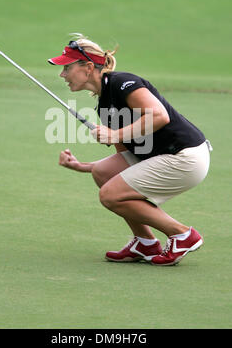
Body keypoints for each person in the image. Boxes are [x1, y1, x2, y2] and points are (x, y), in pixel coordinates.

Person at [48, 34, 212, 266]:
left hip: (185, 157)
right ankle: (145, 243)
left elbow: (159, 115)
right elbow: (124, 159)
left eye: (67, 68)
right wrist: (80, 166)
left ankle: (182, 235)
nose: (62, 75)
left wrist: (114, 134)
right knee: (103, 174)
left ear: (87, 67)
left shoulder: (123, 83)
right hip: (166, 156)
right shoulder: (104, 104)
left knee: (110, 195)